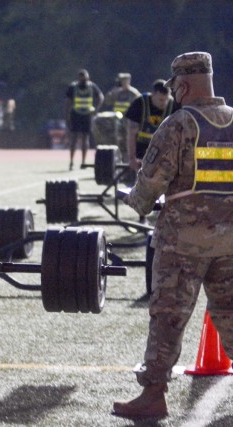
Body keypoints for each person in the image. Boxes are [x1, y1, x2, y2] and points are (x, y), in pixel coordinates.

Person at [114, 52, 233, 420]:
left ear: (182, 84)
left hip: (183, 243)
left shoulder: (179, 123)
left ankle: (154, 394)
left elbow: (149, 184)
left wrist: (135, 200)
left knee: (167, 316)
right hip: (230, 240)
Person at [125, 79, 177, 173]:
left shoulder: (173, 106)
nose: (164, 103)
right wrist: (132, 158)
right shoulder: (139, 104)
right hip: (140, 147)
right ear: (153, 94)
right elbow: (131, 134)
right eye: (161, 100)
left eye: (166, 99)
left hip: (164, 149)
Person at [65, 69, 104, 170]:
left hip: (87, 115)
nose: (82, 79)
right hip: (76, 114)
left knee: (85, 139)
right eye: (81, 77)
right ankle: (71, 161)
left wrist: (96, 109)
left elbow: (100, 97)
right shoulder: (73, 87)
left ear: (87, 77)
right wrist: (67, 114)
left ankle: (83, 162)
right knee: (74, 139)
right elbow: (68, 101)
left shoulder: (92, 86)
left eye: (84, 77)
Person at [102, 72, 141, 161]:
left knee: (128, 140)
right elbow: (107, 101)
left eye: (124, 81)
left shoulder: (133, 93)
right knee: (116, 140)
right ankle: (118, 158)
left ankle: (127, 160)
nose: (122, 83)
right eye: (121, 81)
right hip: (117, 121)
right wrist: (112, 92)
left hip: (129, 121)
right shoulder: (116, 92)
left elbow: (139, 105)